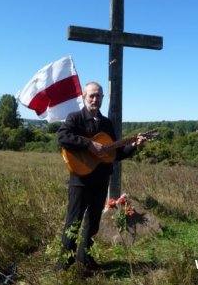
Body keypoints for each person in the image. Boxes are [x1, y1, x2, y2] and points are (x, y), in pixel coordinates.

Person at [57, 81, 146, 270]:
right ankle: (64, 264)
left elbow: (115, 153)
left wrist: (134, 146)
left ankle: (85, 260)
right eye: (92, 95)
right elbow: (62, 137)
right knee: (74, 222)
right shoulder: (75, 118)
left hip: (100, 179)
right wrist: (89, 144)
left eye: (98, 96)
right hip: (80, 179)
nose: (95, 99)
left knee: (93, 223)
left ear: (103, 98)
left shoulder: (106, 124)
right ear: (84, 97)